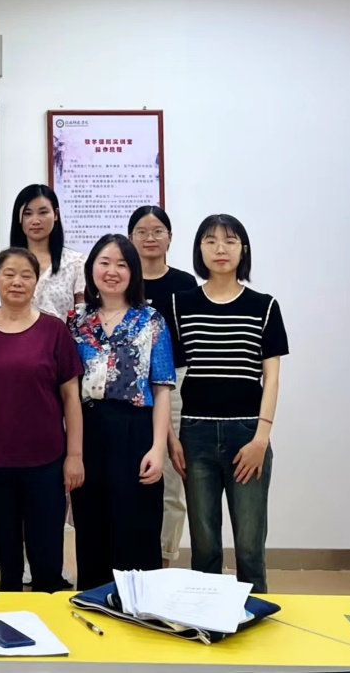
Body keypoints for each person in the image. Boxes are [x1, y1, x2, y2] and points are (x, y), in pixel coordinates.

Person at [171, 214, 288, 593]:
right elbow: (168, 378)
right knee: (204, 546)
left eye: (230, 240)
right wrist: (172, 437)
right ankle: (205, 617)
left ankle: (254, 617)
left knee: (250, 546)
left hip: (247, 433)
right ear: (199, 249)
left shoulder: (264, 306)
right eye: (210, 240)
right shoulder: (181, 304)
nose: (220, 249)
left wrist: (261, 439)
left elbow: (271, 378)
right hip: (196, 434)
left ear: (243, 249)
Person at [0, 248, 83, 593]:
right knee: (2, 563)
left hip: (46, 464)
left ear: (36, 281)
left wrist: (74, 456)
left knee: (47, 559)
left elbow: (71, 397)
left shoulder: (54, 330)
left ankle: (48, 619)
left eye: (26, 275)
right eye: (8, 274)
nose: (17, 282)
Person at [68, 234, 175, 591]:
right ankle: (94, 603)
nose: (112, 271)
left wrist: (158, 448)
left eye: (122, 264)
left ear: (133, 272)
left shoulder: (151, 320)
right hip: (88, 431)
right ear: (91, 269)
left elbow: (161, 388)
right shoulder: (76, 321)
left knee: (136, 528)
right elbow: (67, 389)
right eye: (104, 262)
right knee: (92, 528)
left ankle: (139, 610)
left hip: (135, 433)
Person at [128, 205, 199, 569]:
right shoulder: (123, 280)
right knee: (129, 474)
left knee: (171, 476)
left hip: (175, 383)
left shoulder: (185, 284)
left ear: (170, 238)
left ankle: (164, 561)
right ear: (131, 238)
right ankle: (127, 559)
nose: (150, 238)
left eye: (158, 231)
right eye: (142, 231)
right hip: (127, 385)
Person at [9, 184, 85, 321]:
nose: (35, 220)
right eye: (27, 213)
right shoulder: (5, 264)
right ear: (19, 218)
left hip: (61, 335)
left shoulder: (76, 263)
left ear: (56, 214)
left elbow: (82, 319)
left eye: (43, 212)